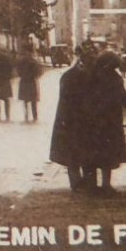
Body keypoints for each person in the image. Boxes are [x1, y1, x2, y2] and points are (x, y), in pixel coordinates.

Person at [78, 49, 126, 193]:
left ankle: (91, 185)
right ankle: (106, 185)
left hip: (89, 122)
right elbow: (122, 97)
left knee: (91, 154)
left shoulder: (89, 76)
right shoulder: (114, 79)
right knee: (107, 155)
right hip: (109, 123)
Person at [49, 43, 95, 190]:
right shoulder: (76, 76)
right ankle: (80, 182)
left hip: (78, 119)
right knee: (78, 151)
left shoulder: (70, 75)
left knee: (82, 151)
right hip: (76, 119)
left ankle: (84, 182)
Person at [15, 46, 44, 122]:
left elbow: (18, 71)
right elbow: (39, 72)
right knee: (33, 100)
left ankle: (26, 115)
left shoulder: (21, 61)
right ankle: (35, 116)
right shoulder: (33, 61)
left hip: (24, 81)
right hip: (31, 82)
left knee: (25, 100)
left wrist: (22, 75)